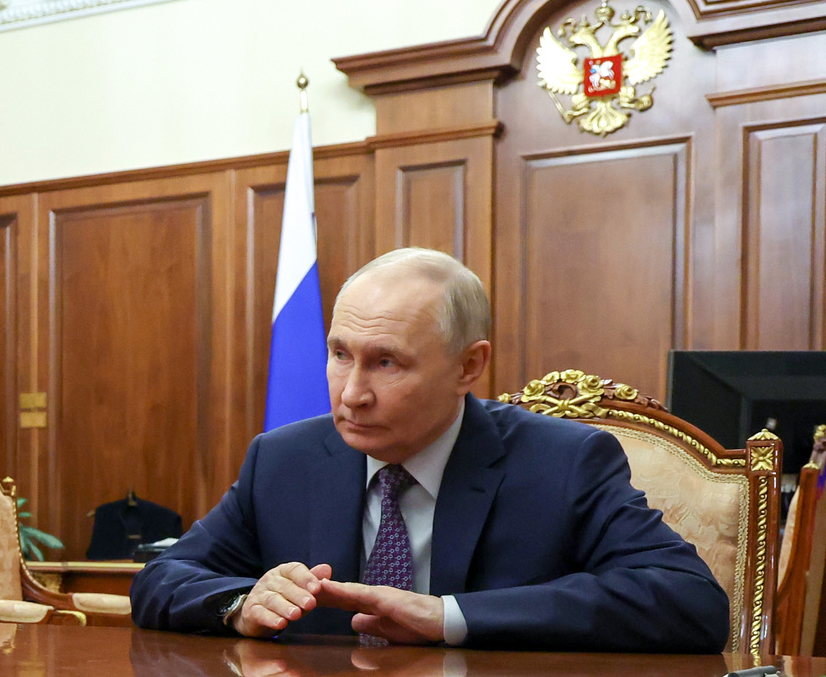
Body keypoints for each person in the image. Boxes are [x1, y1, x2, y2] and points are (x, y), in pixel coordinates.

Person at [130, 247, 730, 652]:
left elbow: (689, 602)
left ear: (469, 365)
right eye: (340, 354)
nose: (352, 393)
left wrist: (449, 617)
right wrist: (241, 603)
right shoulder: (283, 459)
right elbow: (163, 578)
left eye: (386, 362)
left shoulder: (564, 462)